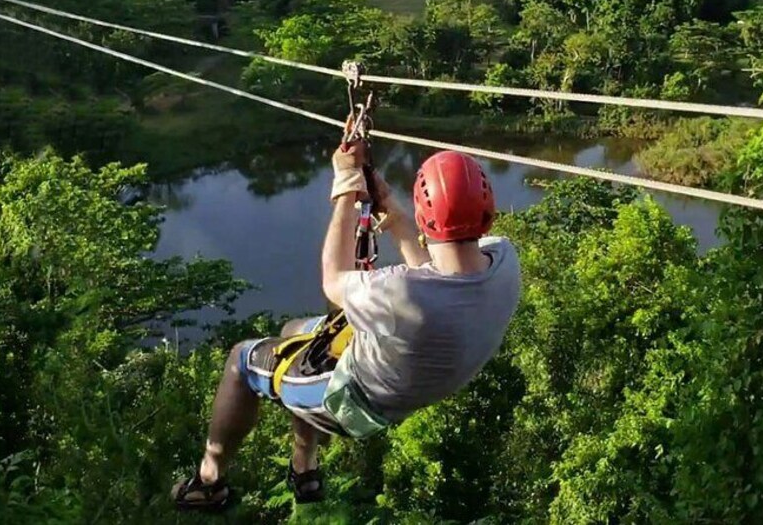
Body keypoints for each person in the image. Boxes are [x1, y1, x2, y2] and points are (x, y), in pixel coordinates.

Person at [172, 140, 521, 511]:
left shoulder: (400, 291)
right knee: (294, 331)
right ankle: (304, 467)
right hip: (411, 368)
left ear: (426, 219)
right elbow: (438, 275)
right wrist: (394, 214)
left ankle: (209, 482)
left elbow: (334, 280)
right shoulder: (503, 260)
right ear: (488, 214)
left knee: (240, 359)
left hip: (354, 398)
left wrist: (345, 187)